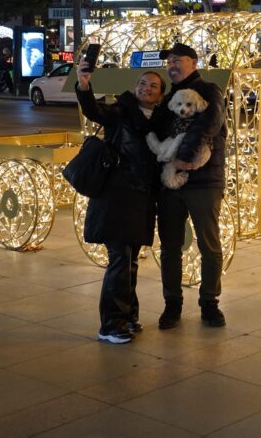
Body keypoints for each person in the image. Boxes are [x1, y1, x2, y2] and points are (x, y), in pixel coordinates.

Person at [75, 62, 165, 344]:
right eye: (142, 83)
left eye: (153, 86)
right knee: (119, 258)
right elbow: (94, 111)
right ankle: (110, 324)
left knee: (130, 260)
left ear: (160, 95)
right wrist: (84, 86)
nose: (146, 88)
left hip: (141, 197)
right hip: (116, 195)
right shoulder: (122, 111)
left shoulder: (160, 120)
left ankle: (128, 315)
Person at [152, 42, 228, 329]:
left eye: (177, 60)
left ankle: (209, 303)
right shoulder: (167, 98)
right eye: (168, 61)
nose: (171, 65)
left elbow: (210, 121)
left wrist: (183, 157)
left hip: (204, 181)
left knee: (209, 244)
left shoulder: (209, 91)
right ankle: (172, 304)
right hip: (171, 184)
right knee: (170, 246)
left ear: (194, 63)